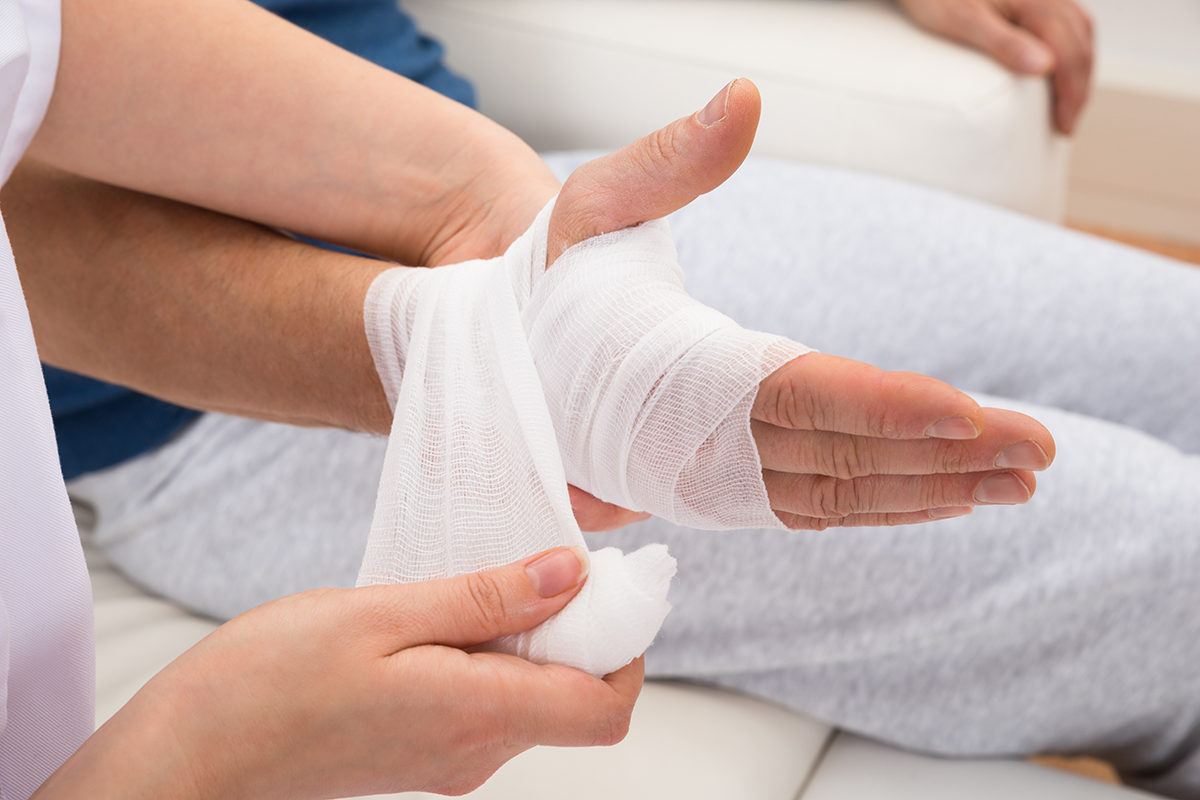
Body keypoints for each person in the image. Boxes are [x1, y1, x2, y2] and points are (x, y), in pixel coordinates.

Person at [25, 0, 1200, 798]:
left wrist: (497, 244)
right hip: (185, 415)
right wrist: (198, 748)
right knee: (1176, 575)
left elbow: (37, 50)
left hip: (480, 195)